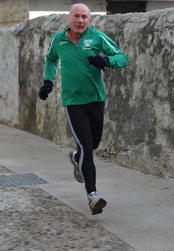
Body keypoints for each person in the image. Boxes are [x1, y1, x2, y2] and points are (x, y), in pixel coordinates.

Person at [39, 3, 128, 215]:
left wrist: (105, 60)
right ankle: (93, 196)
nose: (80, 21)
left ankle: (76, 157)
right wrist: (47, 82)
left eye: (85, 17)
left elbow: (123, 58)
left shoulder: (97, 37)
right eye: (77, 16)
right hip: (73, 102)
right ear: (69, 18)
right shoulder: (58, 40)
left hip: (96, 99)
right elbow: (51, 59)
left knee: (93, 144)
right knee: (87, 146)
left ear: (89, 20)